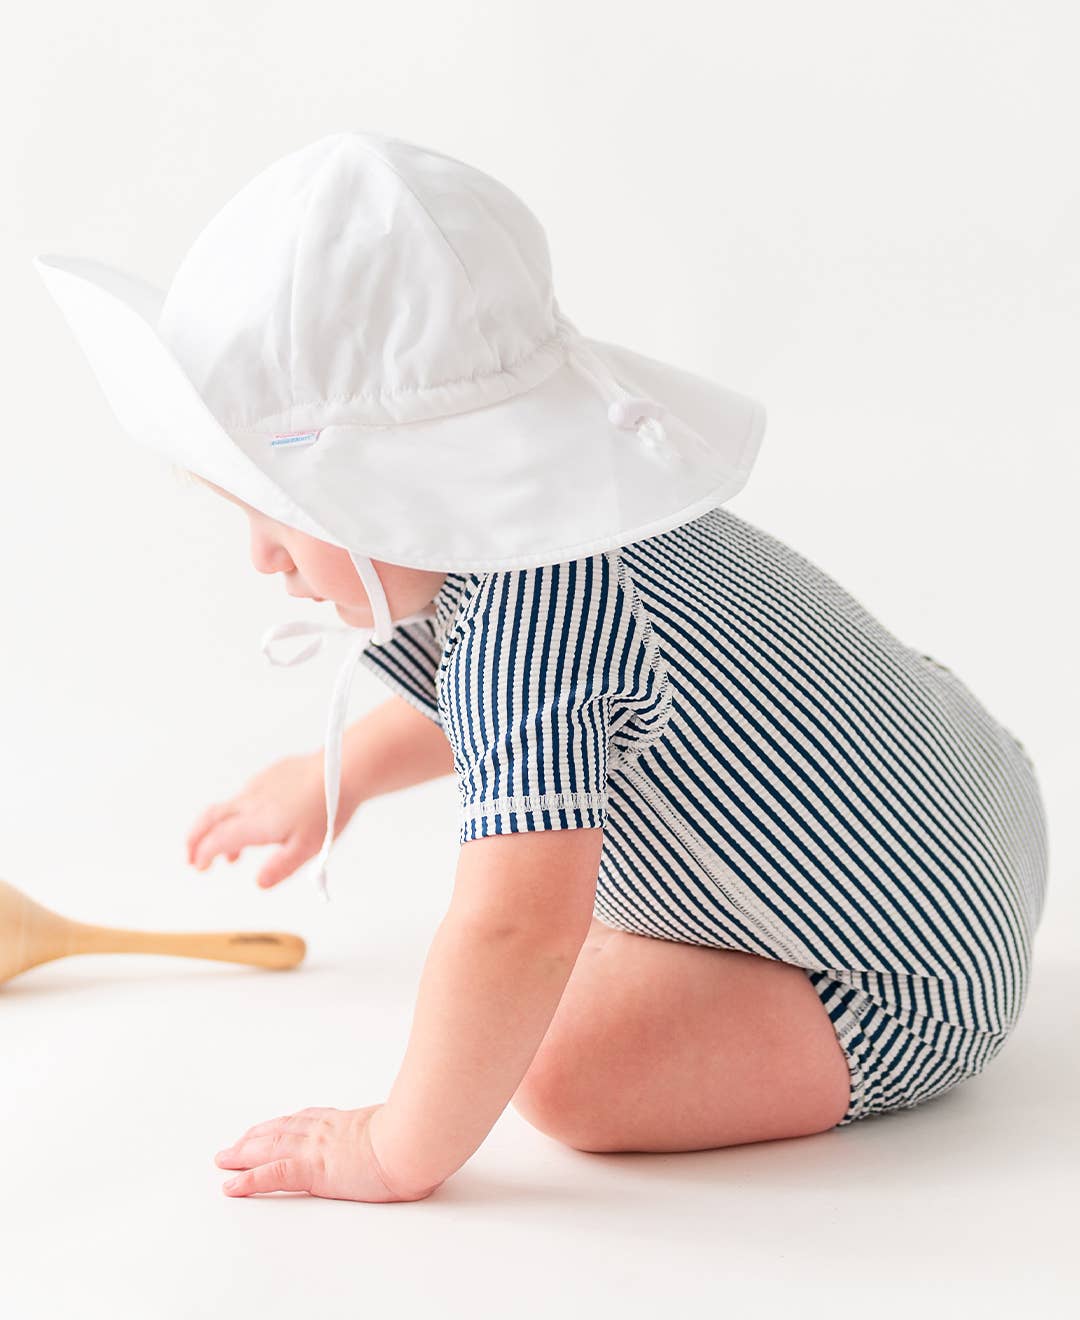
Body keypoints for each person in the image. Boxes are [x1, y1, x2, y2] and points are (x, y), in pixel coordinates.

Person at [35, 132, 1048, 1205]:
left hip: (909, 980)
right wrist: (343, 774)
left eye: (282, 514)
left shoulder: (531, 626)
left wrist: (395, 1145)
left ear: (402, 480)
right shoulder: (591, 513)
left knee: (567, 1069)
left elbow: (517, 926)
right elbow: (530, 720)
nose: (263, 557)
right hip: (980, 796)